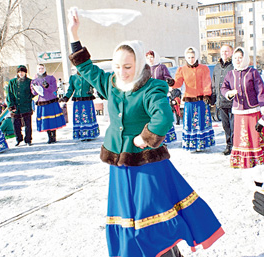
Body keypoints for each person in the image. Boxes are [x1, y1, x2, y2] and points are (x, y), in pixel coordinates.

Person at [67, 10, 224, 257]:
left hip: (146, 165)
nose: (122, 72)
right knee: (126, 216)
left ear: (139, 63)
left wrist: (146, 137)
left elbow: (162, 117)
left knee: (155, 214)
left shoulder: (152, 88)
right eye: (117, 66)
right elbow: (86, 68)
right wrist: (74, 34)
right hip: (119, 166)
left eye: (128, 66)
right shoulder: (111, 84)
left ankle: (169, 254)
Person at [221, 47, 264, 183]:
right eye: (235, 58)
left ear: (245, 58)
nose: (237, 60)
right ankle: (246, 169)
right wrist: (228, 93)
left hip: (253, 112)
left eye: (240, 58)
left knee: (255, 139)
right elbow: (223, 88)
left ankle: (259, 170)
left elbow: (261, 92)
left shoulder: (253, 73)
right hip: (239, 113)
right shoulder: (230, 74)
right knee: (242, 140)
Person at [172, 47, 215, 151]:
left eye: (193, 57)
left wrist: (206, 95)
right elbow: (178, 83)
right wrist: (172, 83)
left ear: (196, 57)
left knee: (201, 121)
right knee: (190, 122)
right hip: (189, 101)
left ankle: (202, 144)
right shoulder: (182, 70)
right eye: (189, 57)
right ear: (186, 58)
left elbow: (206, 82)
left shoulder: (203, 68)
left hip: (201, 100)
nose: (191, 59)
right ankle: (191, 144)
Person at [146, 50, 177, 144]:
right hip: (149, 98)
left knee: (163, 116)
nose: (150, 60)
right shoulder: (145, 69)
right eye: (148, 58)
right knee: (151, 118)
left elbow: (168, 78)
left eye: (151, 57)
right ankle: (152, 139)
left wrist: (169, 81)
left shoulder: (161, 67)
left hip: (161, 96)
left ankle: (165, 139)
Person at [31, 64, 66, 144]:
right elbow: (34, 93)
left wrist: (47, 86)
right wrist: (34, 89)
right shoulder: (34, 80)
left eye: (42, 68)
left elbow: (54, 88)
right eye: (39, 68)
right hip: (42, 102)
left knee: (53, 119)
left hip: (51, 100)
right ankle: (49, 136)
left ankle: (54, 135)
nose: (41, 70)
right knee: (46, 121)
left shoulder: (51, 78)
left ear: (45, 69)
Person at [62, 72, 100, 141]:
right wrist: (66, 97)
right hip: (78, 101)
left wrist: (92, 90)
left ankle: (89, 134)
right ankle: (81, 134)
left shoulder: (88, 76)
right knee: (79, 117)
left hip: (87, 100)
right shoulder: (73, 77)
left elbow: (94, 85)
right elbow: (71, 89)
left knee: (88, 116)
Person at [212, 44, 234, 155]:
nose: (224, 54)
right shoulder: (217, 67)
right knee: (226, 126)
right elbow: (214, 84)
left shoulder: (234, 66)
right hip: (221, 102)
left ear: (231, 52)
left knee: (234, 125)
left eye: (227, 51)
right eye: (222, 52)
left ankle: (235, 146)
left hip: (233, 102)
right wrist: (213, 99)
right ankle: (228, 145)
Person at [6, 65, 34, 146]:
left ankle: (28, 139)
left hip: (26, 106)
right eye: (19, 72)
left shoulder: (29, 81)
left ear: (25, 72)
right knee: (16, 124)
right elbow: (10, 94)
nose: (21, 73)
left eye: (23, 72)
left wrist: (29, 98)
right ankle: (18, 139)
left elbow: (33, 93)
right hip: (16, 106)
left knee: (28, 124)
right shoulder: (12, 82)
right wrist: (11, 105)